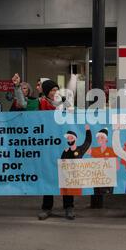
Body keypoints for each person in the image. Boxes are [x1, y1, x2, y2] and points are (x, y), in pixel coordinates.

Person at [38, 80, 78, 220]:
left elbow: (73, 117)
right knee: (49, 175)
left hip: (62, 144)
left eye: (56, 89)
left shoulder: (64, 103)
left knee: (65, 175)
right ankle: (47, 207)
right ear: (46, 92)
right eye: (51, 90)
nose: (55, 92)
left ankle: (69, 206)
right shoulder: (40, 103)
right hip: (47, 144)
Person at [87, 128, 119, 208]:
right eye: (98, 138)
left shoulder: (111, 150)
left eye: (102, 137)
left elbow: (117, 167)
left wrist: (108, 165)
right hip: (97, 177)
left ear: (106, 139)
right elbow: (85, 148)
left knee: (108, 199)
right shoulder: (94, 150)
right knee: (96, 199)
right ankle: (96, 206)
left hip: (108, 178)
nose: (99, 139)